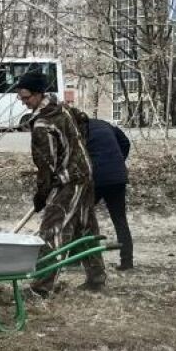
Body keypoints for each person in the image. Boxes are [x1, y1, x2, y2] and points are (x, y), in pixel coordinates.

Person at [16, 70, 106, 296]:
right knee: (85, 227)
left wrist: (41, 195)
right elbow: (83, 119)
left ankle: (40, 287)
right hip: (85, 174)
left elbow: (45, 167)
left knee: (51, 230)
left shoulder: (42, 126)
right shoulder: (63, 108)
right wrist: (77, 152)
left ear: (38, 95)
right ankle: (96, 278)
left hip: (69, 181)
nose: (23, 102)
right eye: (21, 97)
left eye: (26, 97)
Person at [86, 118, 134, 271]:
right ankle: (127, 262)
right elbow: (125, 142)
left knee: (82, 216)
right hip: (118, 176)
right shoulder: (105, 124)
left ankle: (78, 257)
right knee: (120, 219)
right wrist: (118, 161)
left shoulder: (78, 130)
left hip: (97, 178)